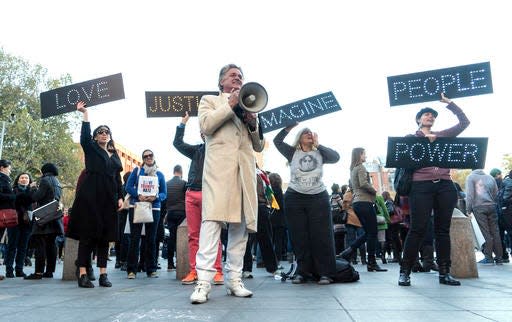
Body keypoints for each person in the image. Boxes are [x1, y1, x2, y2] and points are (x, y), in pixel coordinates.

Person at [190, 64, 265, 304]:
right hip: (219, 173)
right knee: (211, 222)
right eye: (233, 75)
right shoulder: (210, 100)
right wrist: (230, 103)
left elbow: (259, 146)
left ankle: (234, 279)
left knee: (240, 227)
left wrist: (253, 123)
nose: (238, 78)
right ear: (221, 81)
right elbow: (206, 126)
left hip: (244, 173)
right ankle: (203, 282)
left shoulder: (251, 106)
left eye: (241, 76)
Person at [398, 93, 469, 287]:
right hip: (421, 187)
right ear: (419, 120)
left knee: (442, 230)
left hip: (445, 186)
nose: (430, 117)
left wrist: (450, 104)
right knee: (417, 229)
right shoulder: (410, 138)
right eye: (426, 115)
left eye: (433, 115)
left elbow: (464, 123)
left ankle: (445, 273)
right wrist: (422, 143)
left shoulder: (443, 135)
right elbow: (401, 157)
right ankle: (405, 271)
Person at [274, 123, 340, 284]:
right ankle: (302, 272)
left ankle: (325, 273)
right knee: (299, 236)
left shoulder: (320, 153)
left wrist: (318, 145)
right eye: (305, 133)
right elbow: (277, 141)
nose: (309, 134)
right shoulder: (292, 153)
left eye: (311, 132)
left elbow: (336, 157)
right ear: (300, 138)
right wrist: (288, 127)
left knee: (322, 237)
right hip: (295, 197)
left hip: (318, 197)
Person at [67, 101, 124, 288]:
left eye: (107, 131)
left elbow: (118, 179)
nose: (104, 134)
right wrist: (85, 114)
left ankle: (103, 274)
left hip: (109, 200)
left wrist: (120, 197)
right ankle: (82, 273)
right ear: (95, 136)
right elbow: (84, 137)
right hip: (90, 198)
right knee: (87, 236)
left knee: (104, 238)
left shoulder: (115, 156)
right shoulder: (91, 149)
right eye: (100, 132)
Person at [173, 112, 224, 285]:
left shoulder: (220, 151)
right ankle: (194, 270)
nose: (204, 133)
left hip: (211, 194)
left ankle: (217, 271)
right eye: (202, 131)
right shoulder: (196, 150)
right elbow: (177, 143)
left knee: (213, 234)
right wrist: (183, 123)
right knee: (193, 235)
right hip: (192, 194)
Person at [339, 148, 387, 272]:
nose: (366, 155)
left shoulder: (353, 169)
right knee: (372, 232)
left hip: (358, 203)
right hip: (364, 202)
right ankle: (371, 263)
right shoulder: (360, 167)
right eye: (364, 153)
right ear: (359, 155)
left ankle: (348, 251)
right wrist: (374, 190)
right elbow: (363, 183)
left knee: (368, 232)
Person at [125, 149, 167, 279]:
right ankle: (131, 270)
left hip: (154, 208)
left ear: (154, 157)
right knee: (134, 238)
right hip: (137, 206)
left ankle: (151, 269)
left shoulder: (160, 174)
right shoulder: (137, 171)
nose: (148, 157)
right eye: (145, 156)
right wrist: (139, 195)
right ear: (143, 159)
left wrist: (156, 197)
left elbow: (164, 194)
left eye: (150, 155)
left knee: (151, 239)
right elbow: (128, 187)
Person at [25, 163, 63, 280]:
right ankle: (49, 271)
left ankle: (38, 272)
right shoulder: (57, 182)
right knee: (51, 244)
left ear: (44, 171)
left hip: (43, 217)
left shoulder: (45, 180)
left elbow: (36, 197)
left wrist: (32, 189)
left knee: (40, 244)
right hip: (54, 217)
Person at [466, 169, 503, 264]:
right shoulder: (490, 178)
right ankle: (499, 258)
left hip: (479, 207)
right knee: (495, 232)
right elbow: (496, 193)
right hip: (492, 206)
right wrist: (492, 202)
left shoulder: (471, 177)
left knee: (485, 232)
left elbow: (470, 195)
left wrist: (468, 209)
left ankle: (488, 258)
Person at [4, 172, 34, 278]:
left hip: (27, 223)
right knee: (12, 246)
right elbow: (18, 199)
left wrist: (31, 191)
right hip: (14, 221)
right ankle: (9, 270)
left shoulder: (32, 191)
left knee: (23, 247)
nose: (24, 179)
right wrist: (29, 192)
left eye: (26, 178)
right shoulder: (13, 190)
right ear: (18, 180)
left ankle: (19, 269)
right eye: (22, 177)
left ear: (29, 180)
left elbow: (32, 200)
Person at [165, 165, 187, 271]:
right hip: (182, 213)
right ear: (181, 172)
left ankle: (170, 263)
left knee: (171, 238)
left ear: (174, 171)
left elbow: (164, 199)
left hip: (170, 213)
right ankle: (180, 263)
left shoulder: (167, 183)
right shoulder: (184, 183)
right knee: (181, 238)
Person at [0, 159, 16, 281]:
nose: (10, 170)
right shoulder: (2, 179)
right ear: (2, 168)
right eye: (8, 168)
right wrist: (14, 196)